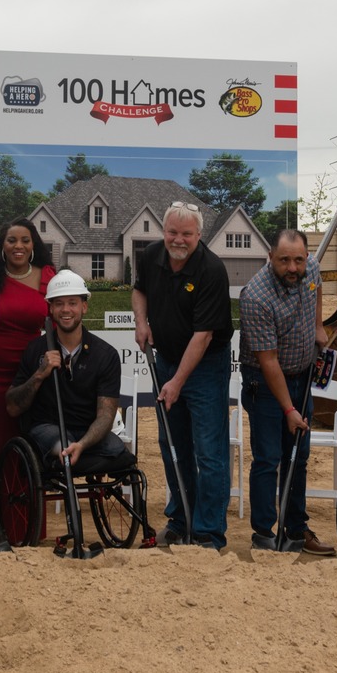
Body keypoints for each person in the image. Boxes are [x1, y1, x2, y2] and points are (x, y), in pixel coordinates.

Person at [131, 201, 232, 548]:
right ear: (164, 231)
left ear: (198, 236)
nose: (178, 240)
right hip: (166, 359)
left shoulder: (212, 270)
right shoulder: (151, 255)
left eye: (186, 234)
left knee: (208, 450)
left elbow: (202, 337)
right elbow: (140, 289)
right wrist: (141, 322)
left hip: (205, 365)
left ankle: (207, 532)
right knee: (172, 444)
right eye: (172, 232)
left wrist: (176, 383)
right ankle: (180, 518)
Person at [238, 229, 332, 554]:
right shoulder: (255, 297)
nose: (293, 268)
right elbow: (269, 362)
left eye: (298, 260)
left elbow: (316, 286)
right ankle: (263, 534)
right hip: (263, 383)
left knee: (299, 456)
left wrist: (319, 325)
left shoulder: (312, 268)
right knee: (268, 458)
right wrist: (290, 410)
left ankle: (297, 529)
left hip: (303, 375)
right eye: (284, 261)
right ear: (270, 258)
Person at [6, 269, 126, 465]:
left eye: (73, 303)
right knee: (62, 446)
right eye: (59, 303)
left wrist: (83, 444)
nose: (66, 310)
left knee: (116, 449)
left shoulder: (106, 354)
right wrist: (39, 374)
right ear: (51, 309)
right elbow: (12, 408)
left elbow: (106, 415)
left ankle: (71, 449)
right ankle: (66, 451)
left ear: (84, 307)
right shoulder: (35, 348)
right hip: (48, 428)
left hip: (88, 430)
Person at [0, 219, 56, 459]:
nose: (18, 246)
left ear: (33, 245)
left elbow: (62, 319)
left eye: (25, 240)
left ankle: (23, 493)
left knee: (27, 438)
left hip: (31, 371)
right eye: (12, 240)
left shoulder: (48, 276)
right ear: (2, 245)